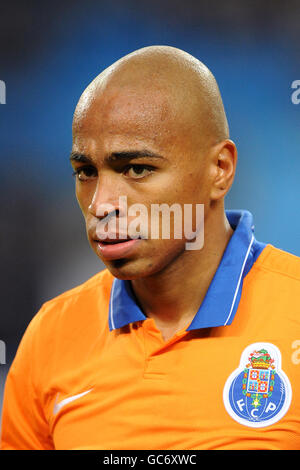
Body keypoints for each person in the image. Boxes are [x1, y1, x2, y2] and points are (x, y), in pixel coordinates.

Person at [1, 46, 300, 450]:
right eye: (86, 172)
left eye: (137, 169)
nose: (101, 204)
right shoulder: (50, 336)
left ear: (220, 170)